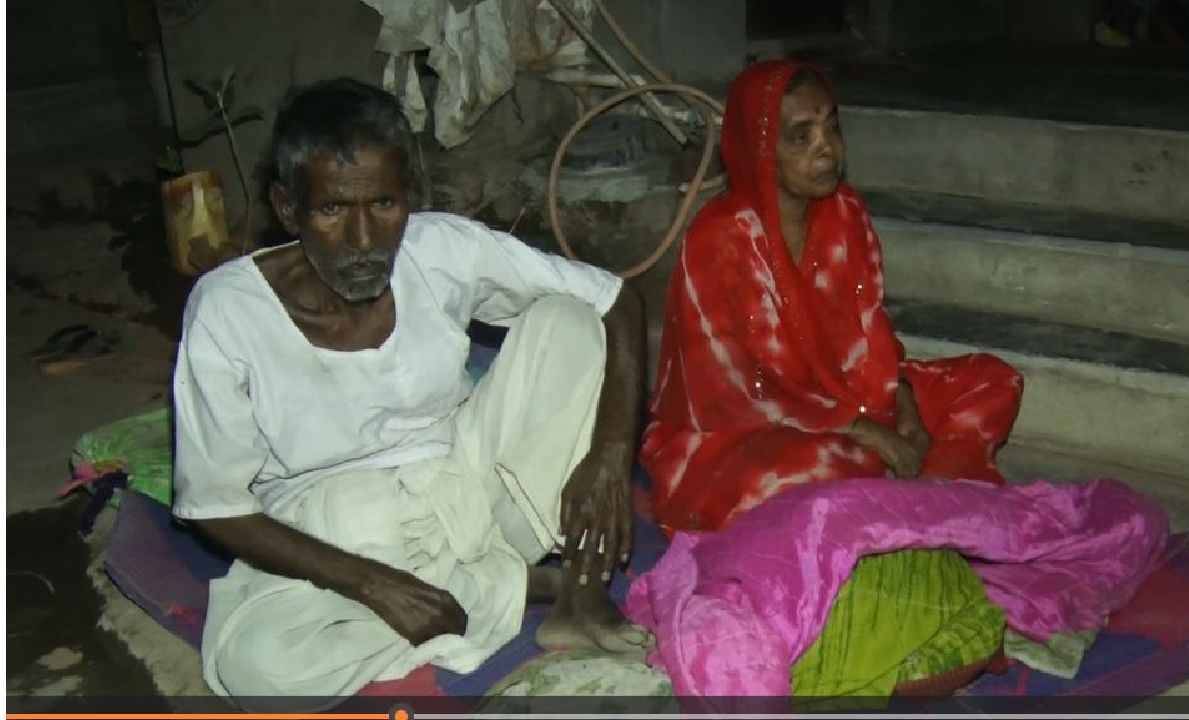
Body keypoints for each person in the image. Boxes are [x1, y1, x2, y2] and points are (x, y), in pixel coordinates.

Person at [171, 78, 651, 706]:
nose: (364, 240)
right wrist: (372, 585)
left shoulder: (441, 248)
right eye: (332, 210)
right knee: (257, 670)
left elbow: (617, 300)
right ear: (288, 209)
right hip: (330, 533)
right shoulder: (228, 310)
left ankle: (514, 580)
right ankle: (529, 587)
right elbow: (216, 505)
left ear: (409, 199)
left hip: (471, 492)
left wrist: (612, 453)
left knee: (570, 320)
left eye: (385, 205)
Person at [640, 61, 1024, 535]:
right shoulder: (718, 239)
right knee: (805, 474)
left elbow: (873, 335)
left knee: (993, 382)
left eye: (832, 128)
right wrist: (866, 431)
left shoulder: (846, 214)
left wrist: (905, 410)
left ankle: (898, 493)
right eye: (800, 137)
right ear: (761, 150)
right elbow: (735, 389)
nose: (827, 150)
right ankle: (912, 495)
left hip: (856, 405)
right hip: (743, 433)